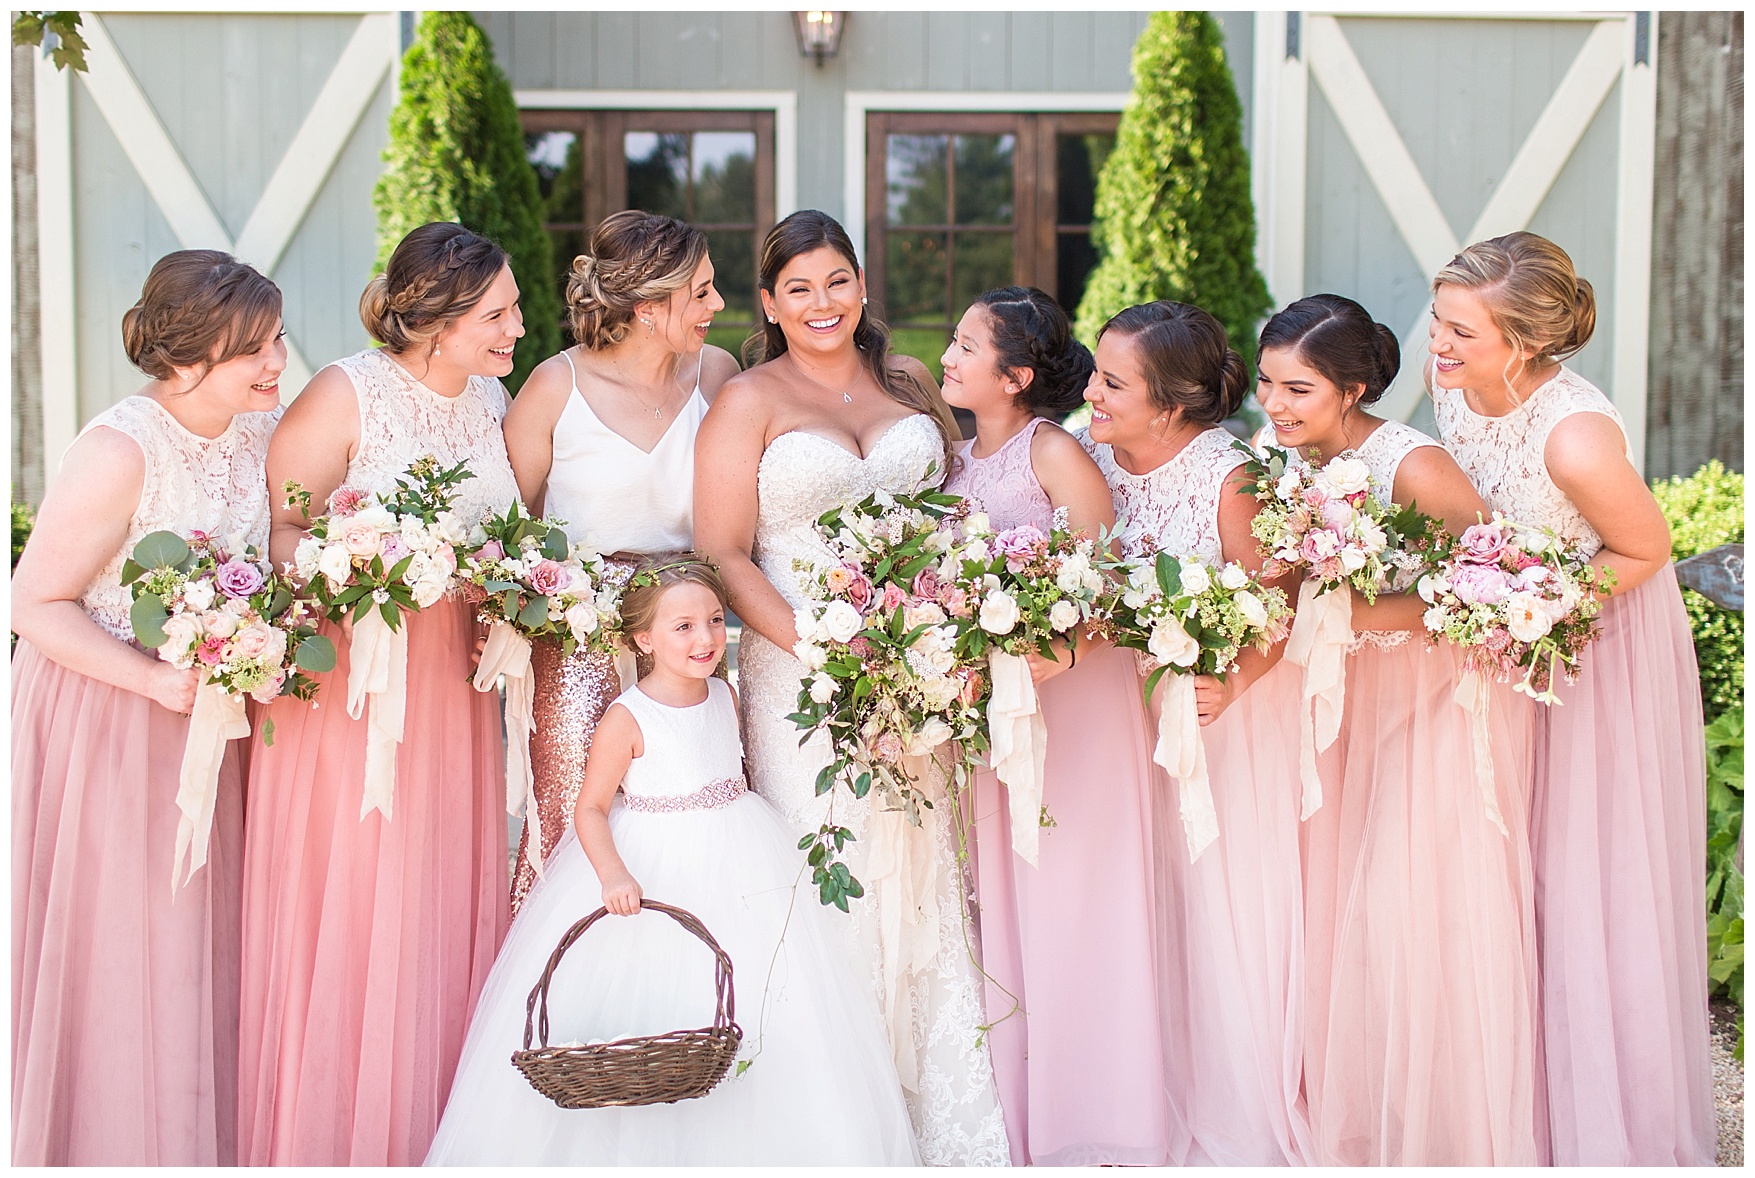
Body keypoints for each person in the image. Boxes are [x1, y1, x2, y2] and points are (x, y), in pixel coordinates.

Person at [693, 209, 1009, 1164]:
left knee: (916, 864)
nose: (821, 303)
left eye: (836, 281)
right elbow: (722, 552)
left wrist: (934, 638)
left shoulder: (911, 388)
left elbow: (954, 522)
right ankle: (830, 1119)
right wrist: (822, 651)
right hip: (801, 673)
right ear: (769, 303)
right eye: (799, 288)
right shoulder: (747, 401)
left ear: (862, 285)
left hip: (913, 667)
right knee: (823, 866)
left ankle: (920, 1103)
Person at [425, 557, 919, 1165]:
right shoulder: (628, 716)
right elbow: (590, 810)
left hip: (742, 851)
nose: (706, 638)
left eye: (714, 621)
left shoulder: (723, 692)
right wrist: (612, 874)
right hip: (656, 856)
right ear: (643, 639)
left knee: (766, 992)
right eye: (682, 626)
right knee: (662, 997)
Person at [236, 223, 523, 1166]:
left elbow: (506, 528)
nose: (518, 326)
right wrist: (360, 569)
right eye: (498, 312)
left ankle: (441, 1126)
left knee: (441, 888)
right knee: (363, 891)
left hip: (455, 685)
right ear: (436, 322)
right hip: (353, 690)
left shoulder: (489, 396)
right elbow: (277, 539)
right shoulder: (345, 393)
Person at [1427, 232, 1714, 1165]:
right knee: (1493, 861)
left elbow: (1642, 552)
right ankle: (1502, 1076)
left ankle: (1592, 1110)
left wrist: (1535, 610)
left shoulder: (1575, 436)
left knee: (1578, 867)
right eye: (1439, 317)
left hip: (1592, 642)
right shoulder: (1454, 387)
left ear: (1522, 343)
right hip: (1500, 627)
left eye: (1460, 330)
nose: (1438, 341)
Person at [11, 250, 285, 1164]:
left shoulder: (258, 429)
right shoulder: (119, 450)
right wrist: (160, 681)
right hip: (112, 717)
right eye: (256, 347)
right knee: (128, 939)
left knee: (199, 941)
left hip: (215, 717)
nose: (279, 361)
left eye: (276, 337)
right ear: (186, 358)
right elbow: (31, 603)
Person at [1255, 294, 1538, 1164]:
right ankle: (1347, 1101)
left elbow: (1497, 581)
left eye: (1297, 389)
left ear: (1353, 388)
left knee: (1406, 900)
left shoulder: (1410, 464)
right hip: (1330, 699)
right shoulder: (1281, 460)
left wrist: (1359, 597)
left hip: (1426, 698)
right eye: (1267, 383)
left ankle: (1438, 1121)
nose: (1274, 405)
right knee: (1330, 898)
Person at [939, 288, 1168, 1165]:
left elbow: (1107, 580)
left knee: (1077, 895)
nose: (949, 358)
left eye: (966, 346)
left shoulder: (1054, 452)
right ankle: (1023, 1107)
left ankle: (1099, 1115)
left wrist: (1055, 654)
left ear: (1017, 376)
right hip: (998, 714)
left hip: (1073, 704)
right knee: (1007, 899)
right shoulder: (957, 461)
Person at [1079, 301, 1311, 1165]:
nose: (1091, 392)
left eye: (1111, 381)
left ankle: (1230, 1107)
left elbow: (1283, 600)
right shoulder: (1091, 454)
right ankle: (1141, 1091)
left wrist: (1232, 680)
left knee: (1216, 912)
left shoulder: (1230, 477)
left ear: (1172, 405)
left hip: (1222, 728)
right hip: (1113, 730)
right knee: (1136, 908)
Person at [502, 210, 739, 911]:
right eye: (699, 293)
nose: (716, 306)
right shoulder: (554, 386)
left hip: (689, 641)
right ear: (646, 307)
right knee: (571, 818)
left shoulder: (718, 374)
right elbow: (504, 529)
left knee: (697, 815)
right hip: (579, 648)